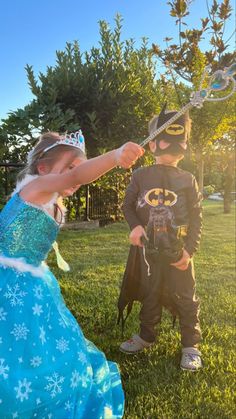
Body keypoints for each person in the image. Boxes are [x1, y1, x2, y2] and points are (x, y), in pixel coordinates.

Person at [0, 130, 144, 419]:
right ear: (43, 168)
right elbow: (73, 179)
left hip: (33, 283)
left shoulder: (54, 203)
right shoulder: (35, 187)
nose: (76, 175)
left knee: (39, 338)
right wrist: (115, 156)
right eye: (71, 165)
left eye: (80, 165)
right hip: (8, 280)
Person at [118, 106, 203, 371]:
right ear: (152, 144)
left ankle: (190, 345)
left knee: (186, 296)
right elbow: (128, 206)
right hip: (149, 250)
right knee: (150, 291)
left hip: (179, 250)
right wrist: (134, 227)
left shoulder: (188, 180)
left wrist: (190, 250)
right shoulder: (140, 175)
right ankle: (146, 335)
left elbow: (197, 217)